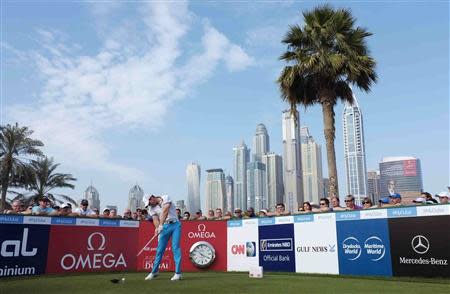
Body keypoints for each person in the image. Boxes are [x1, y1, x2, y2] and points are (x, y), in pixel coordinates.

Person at [144, 194, 182, 281]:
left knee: (175, 248)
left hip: (175, 224)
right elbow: (155, 219)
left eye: (149, 202)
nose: (149, 205)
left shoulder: (165, 197)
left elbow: (165, 210)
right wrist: (158, 228)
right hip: (164, 227)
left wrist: (161, 225)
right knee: (160, 250)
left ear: (152, 198)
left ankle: (178, 273)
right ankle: (154, 271)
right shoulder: (150, 208)